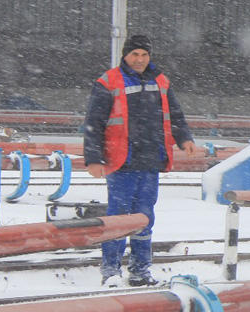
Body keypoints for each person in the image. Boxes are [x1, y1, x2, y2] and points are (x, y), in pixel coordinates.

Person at [83, 34, 196, 287]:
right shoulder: (109, 81)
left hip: (151, 160)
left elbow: (175, 113)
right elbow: (94, 122)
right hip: (121, 161)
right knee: (118, 218)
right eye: (135, 54)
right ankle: (111, 270)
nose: (140, 59)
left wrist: (184, 138)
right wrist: (93, 158)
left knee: (145, 218)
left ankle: (140, 271)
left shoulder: (161, 81)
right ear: (125, 55)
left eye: (144, 55)